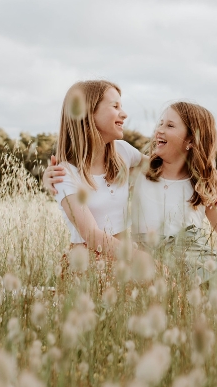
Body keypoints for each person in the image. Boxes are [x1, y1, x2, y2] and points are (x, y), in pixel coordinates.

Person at [131, 102, 217, 284]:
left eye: (170, 125)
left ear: (191, 140)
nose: (159, 130)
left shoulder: (203, 187)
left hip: (197, 259)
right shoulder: (137, 169)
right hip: (147, 261)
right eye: (160, 123)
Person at [50, 80, 145, 260]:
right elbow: (92, 235)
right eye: (115, 106)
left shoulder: (123, 151)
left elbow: (162, 169)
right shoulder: (65, 174)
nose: (124, 114)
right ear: (87, 113)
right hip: (90, 266)